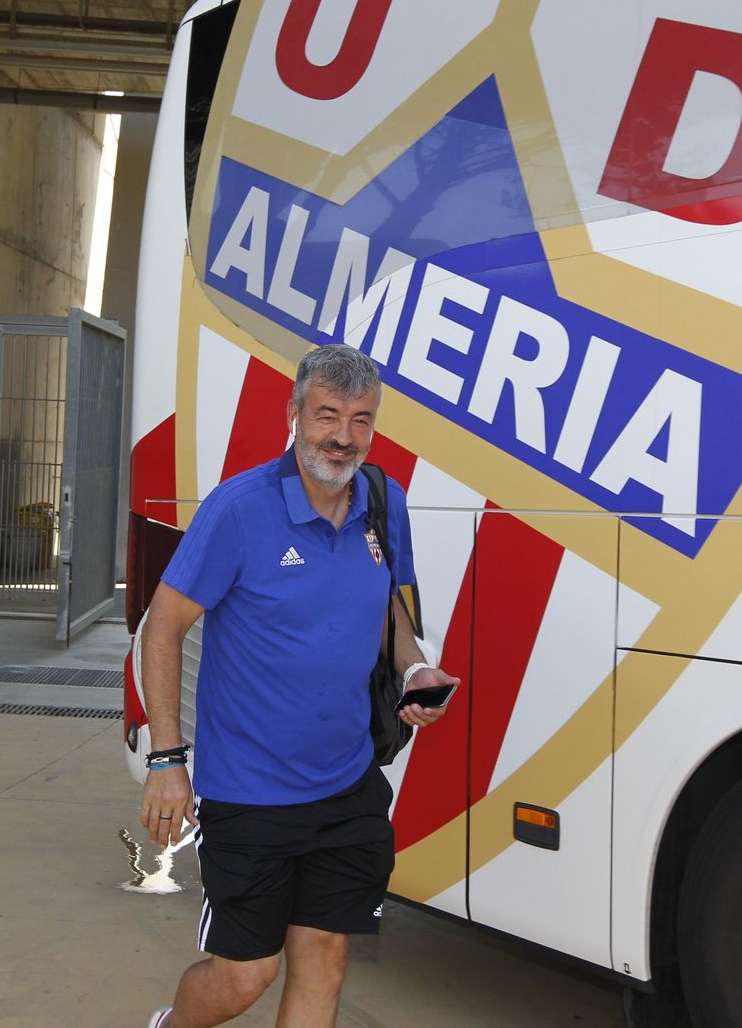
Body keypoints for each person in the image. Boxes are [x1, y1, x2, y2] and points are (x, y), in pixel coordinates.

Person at [138, 343, 459, 1028]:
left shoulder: (383, 501)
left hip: (347, 783)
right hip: (250, 791)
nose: (343, 436)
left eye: (361, 419)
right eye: (327, 415)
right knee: (245, 975)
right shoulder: (239, 509)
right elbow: (161, 628)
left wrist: (414, 667)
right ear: (294, 414)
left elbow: (387, 607)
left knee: (325, 956)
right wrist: (166, 760)